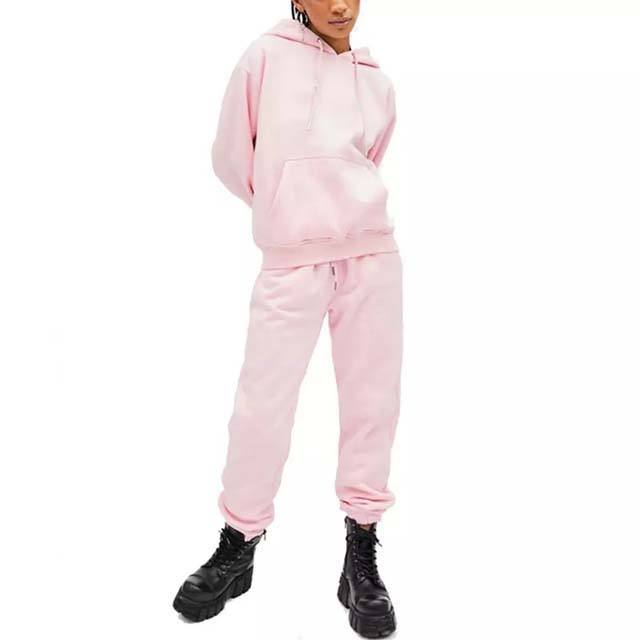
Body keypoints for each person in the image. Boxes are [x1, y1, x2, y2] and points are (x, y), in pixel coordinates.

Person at [173, 2, 402, 637]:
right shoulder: (264, 58)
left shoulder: (377, 80)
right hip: (291, 259)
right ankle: (238, 542)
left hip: (371, 256)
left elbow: (367, 161)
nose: (340, 5)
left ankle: (361, 552)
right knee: (262, 403)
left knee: (372, 404)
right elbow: (231, 156)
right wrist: (284, 210)